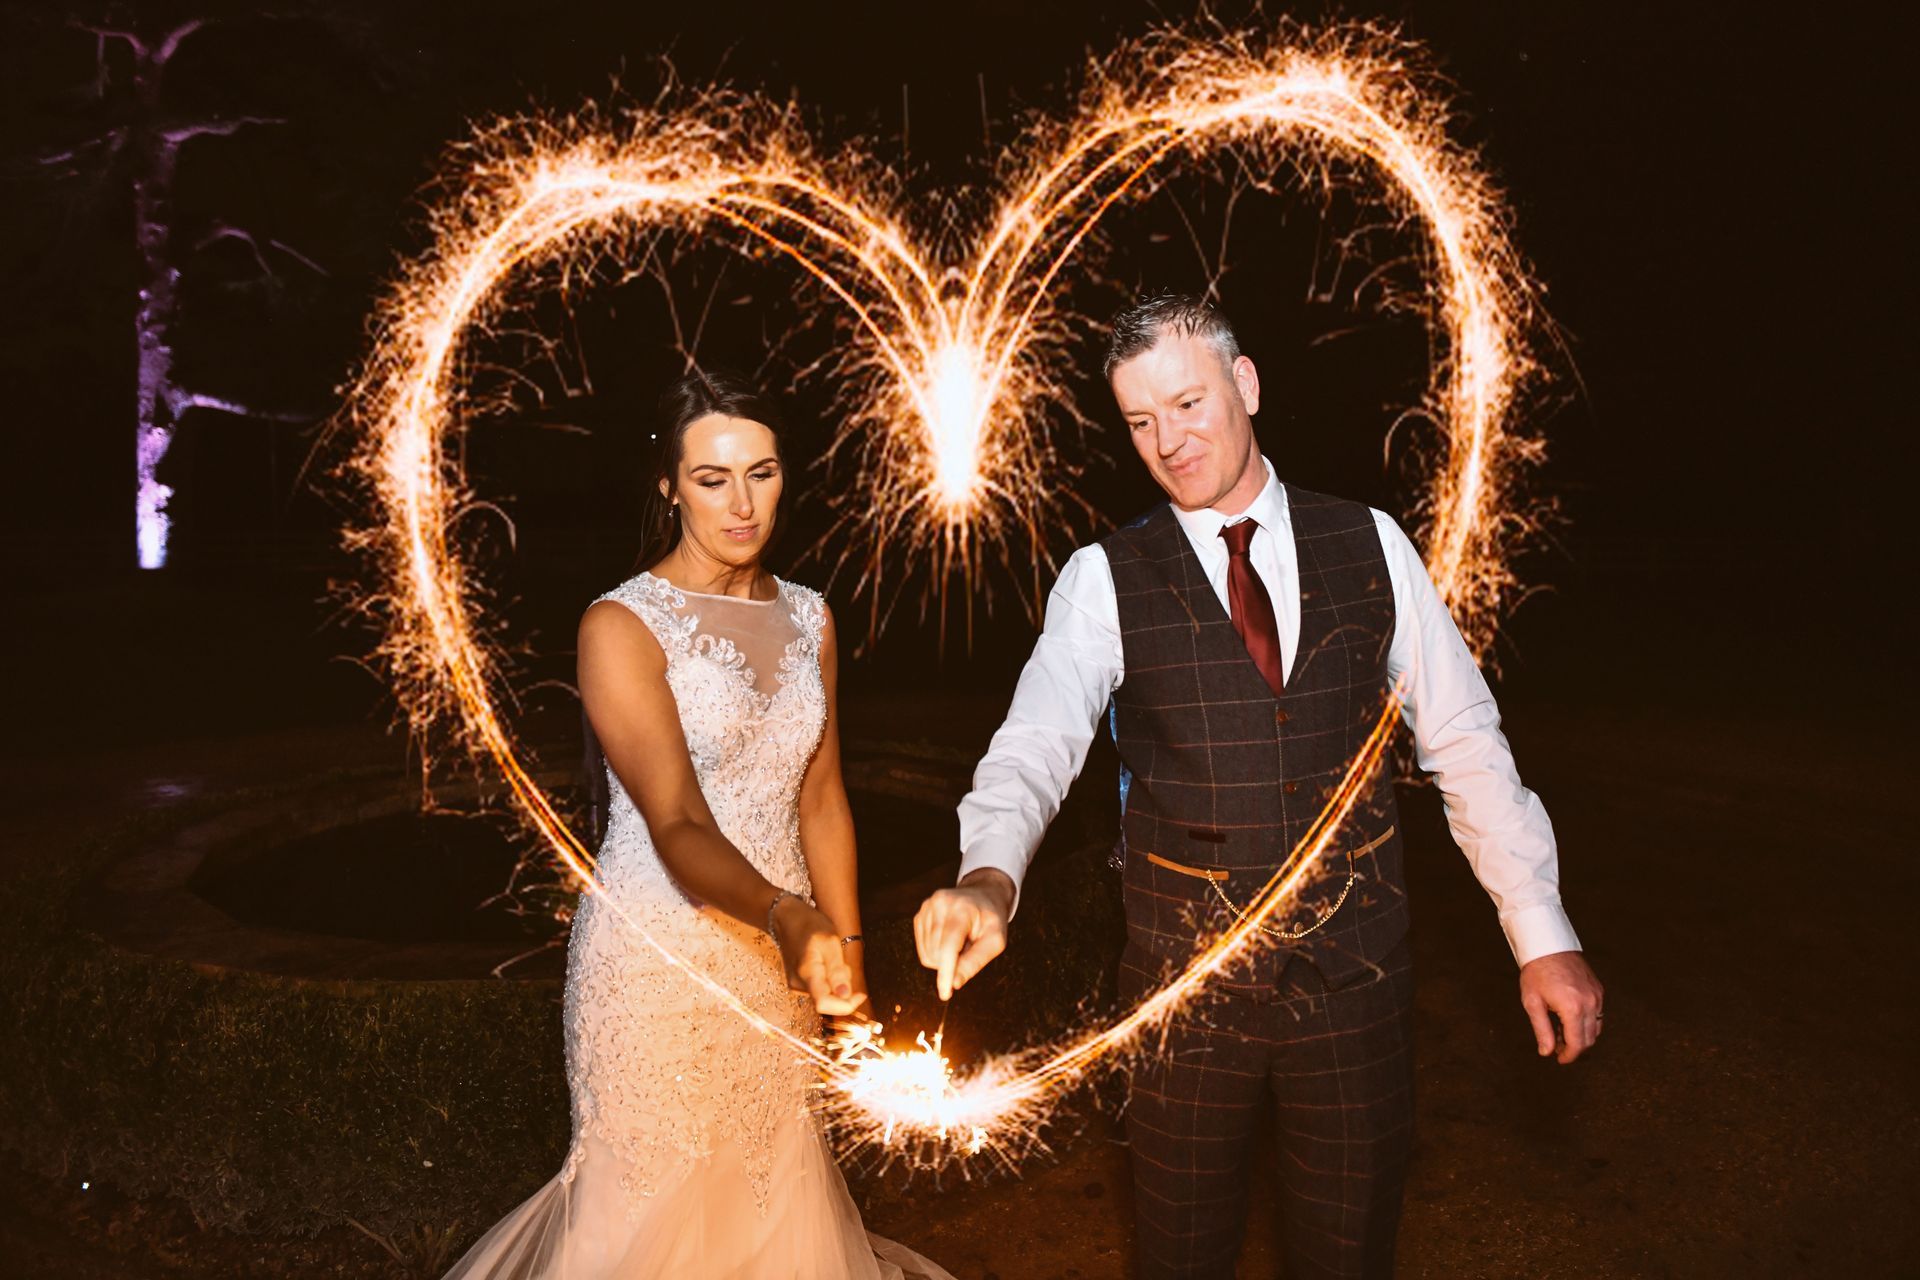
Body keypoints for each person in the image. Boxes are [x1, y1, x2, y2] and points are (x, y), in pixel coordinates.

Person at [914, 293, 1604, 1279]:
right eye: (1140, 421)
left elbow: (1464, 741)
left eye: (1187, 404)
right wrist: (989, 875)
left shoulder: (1371, 543)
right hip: (1183, 1004)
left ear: (1245, 383)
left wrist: (1542, 933)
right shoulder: (1103, 578)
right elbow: (1033, 749)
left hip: (1356, 988)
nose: (1167, 442)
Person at [444, 367, 952, 1280]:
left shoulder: (811, 618)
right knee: (647, 1222)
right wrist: (785, 915)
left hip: (784, 961)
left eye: (762, 473)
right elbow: (676, 822)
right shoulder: (620, 625)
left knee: (773, 1207)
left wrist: (847, 967)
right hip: (658, 963)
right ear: (669, 486)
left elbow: (822, 798)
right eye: (713, 479)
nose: (742, 504)